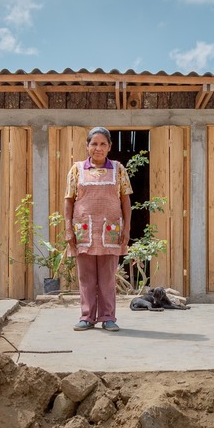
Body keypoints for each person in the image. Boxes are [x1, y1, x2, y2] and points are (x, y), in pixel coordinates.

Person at [64, 127, 132, 332]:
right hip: (84, 229)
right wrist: (68, 229)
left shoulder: (119, 169)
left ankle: (108, 317)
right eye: (94, 144)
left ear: (110, 147)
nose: (98, 148)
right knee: (86, 276)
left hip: (110, 230)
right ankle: (86, 317)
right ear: (87, 146)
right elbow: (68, 201)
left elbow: (125, 200)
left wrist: (126, 229)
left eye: (103, 144)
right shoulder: (77, 169)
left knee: (107, 276)